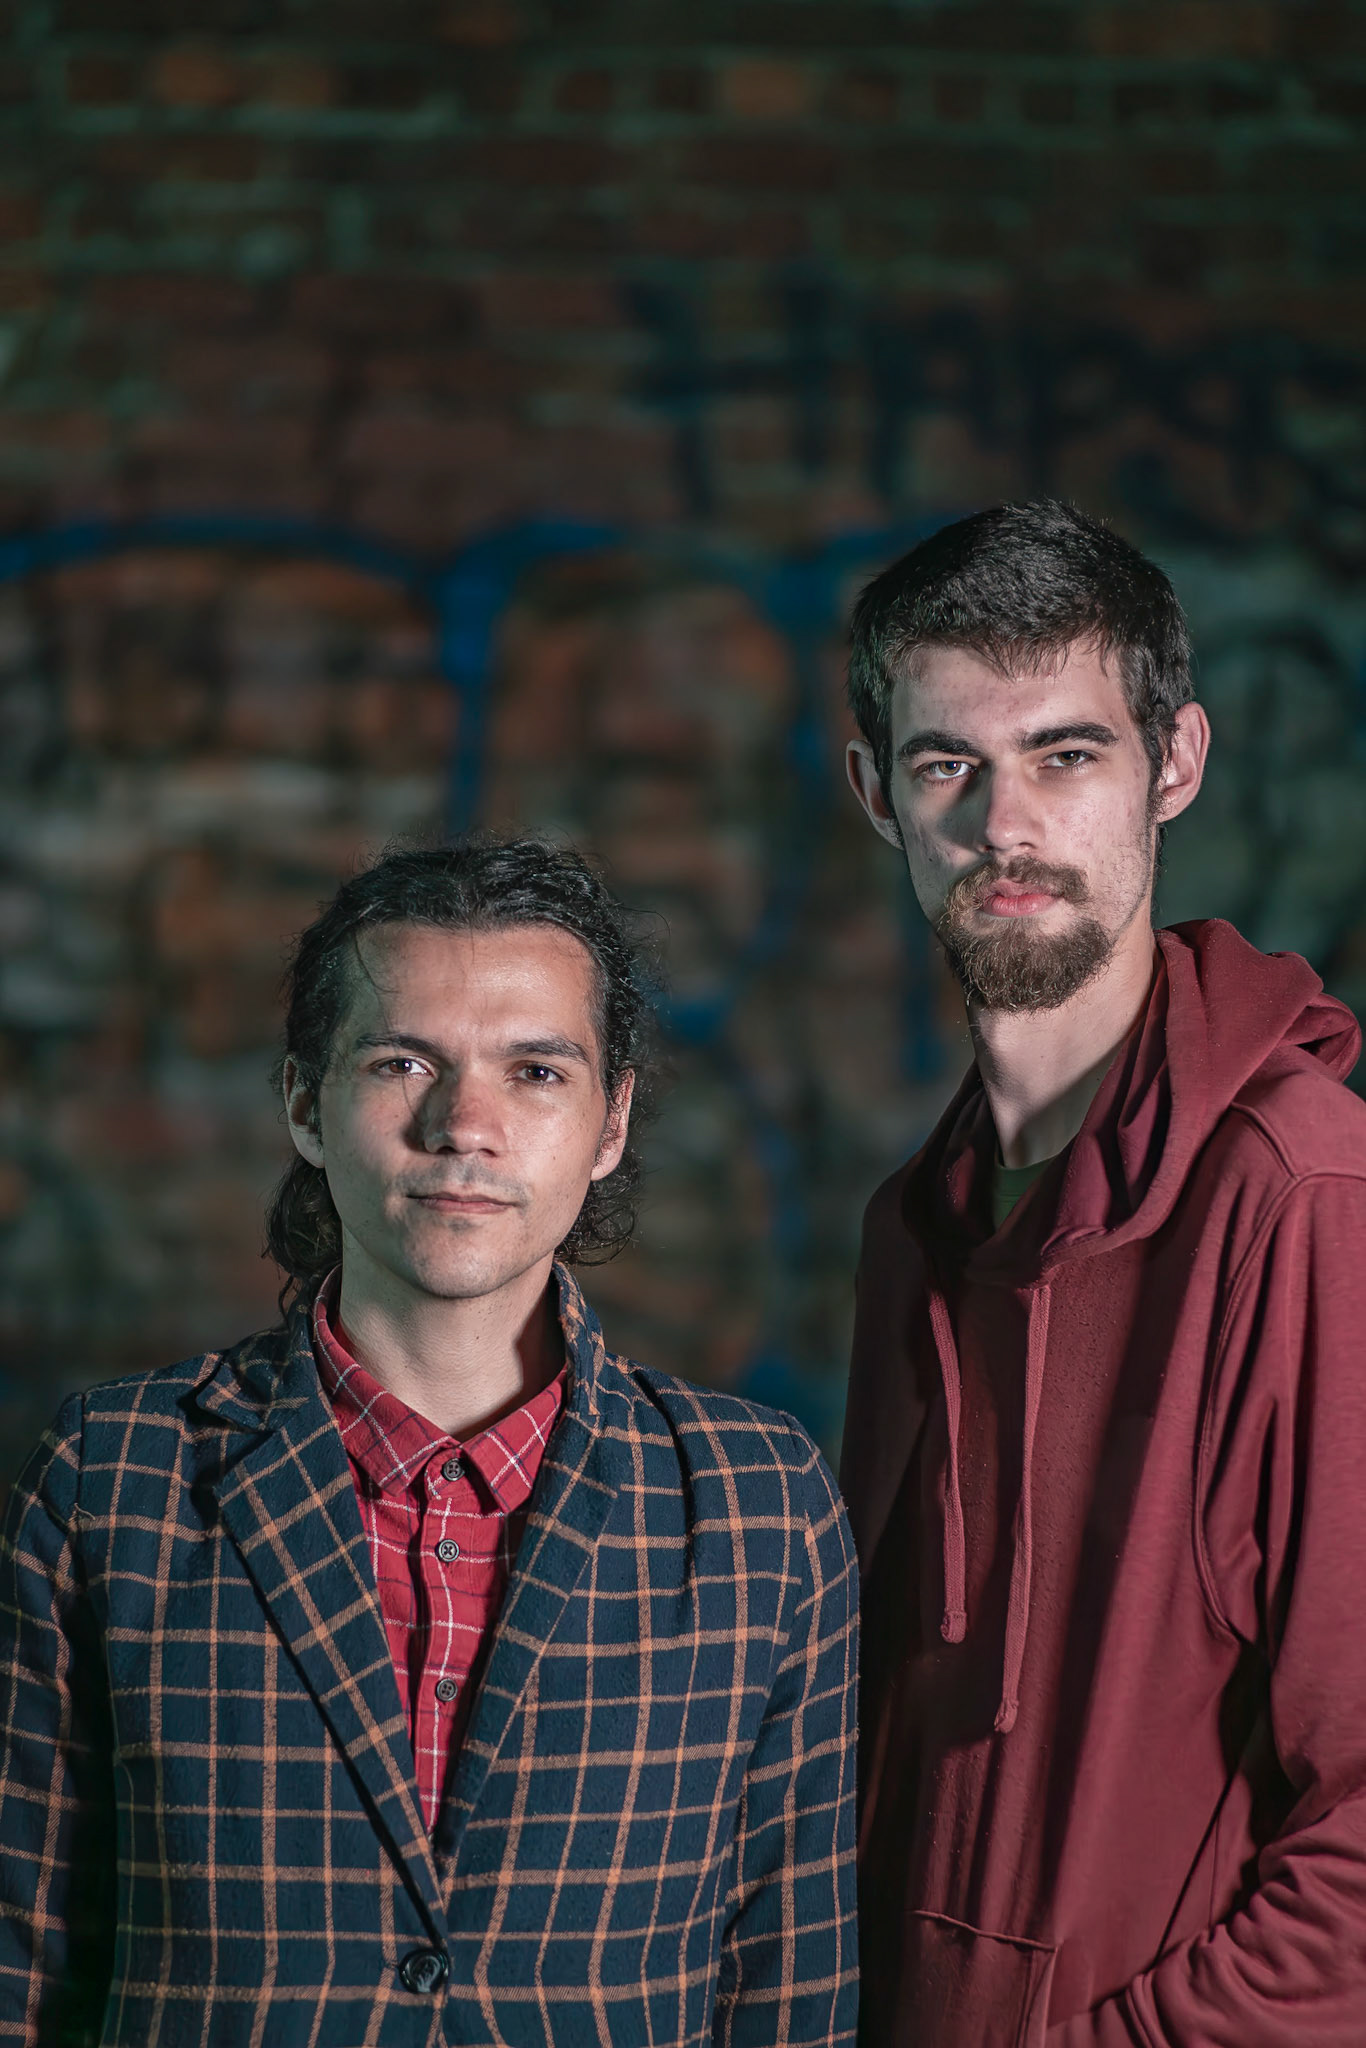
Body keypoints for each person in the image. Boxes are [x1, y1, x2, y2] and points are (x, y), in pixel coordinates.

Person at [0, 839, 858, 2047]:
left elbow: (790, 1996)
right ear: (306, 1102)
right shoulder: (112, 1476)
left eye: (535, 1071)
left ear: (609, 1122)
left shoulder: (759, 1506)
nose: (465, 1125)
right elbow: (23, 1971)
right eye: (403, 1061)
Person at [840, 499, 1366, 2045]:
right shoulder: (909, 1231)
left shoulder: (1302, 1198)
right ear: (877, 793)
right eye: (949, 765)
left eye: (1065, 755)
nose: (1005, 827)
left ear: (1174, 764)